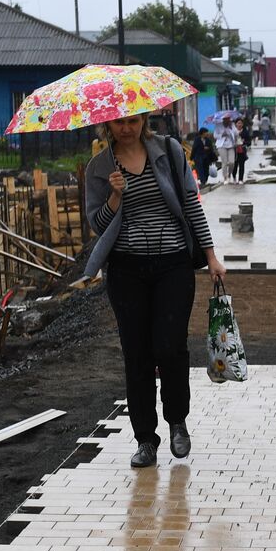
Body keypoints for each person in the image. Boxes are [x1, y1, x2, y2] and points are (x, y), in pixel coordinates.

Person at [83, 112, 227, 468]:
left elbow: (191, 203)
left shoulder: (169, 151)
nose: (126, 128)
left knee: (170, 346)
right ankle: (145, 439)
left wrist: (211, 257)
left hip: (173, 265)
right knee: (137, 354)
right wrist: (114, 197)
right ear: (107, 125)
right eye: (119, 123)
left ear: (144, 119)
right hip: (126, 270)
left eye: (133, 121)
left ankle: (177, 422)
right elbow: (97, 225)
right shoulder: (98, 168)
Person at [215, 116, 238, 184]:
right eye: (225, 119)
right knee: (224, 162)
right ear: (223, 120)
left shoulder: (232, 125)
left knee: (232, 162)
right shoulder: (218, 125)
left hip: (231, 145)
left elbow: (236, 133)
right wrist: (222, 135)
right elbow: (215, 135)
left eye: (228, 119)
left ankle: (229, 174)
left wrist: (231, 128)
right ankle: (225, 177)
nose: (227, 121)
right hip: (221, 145)